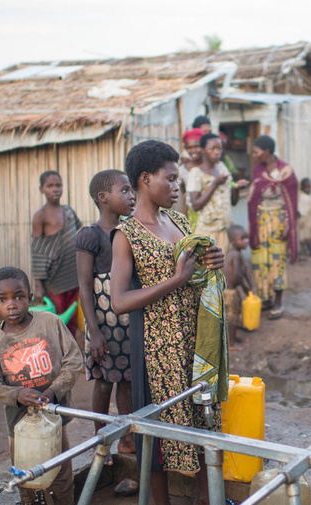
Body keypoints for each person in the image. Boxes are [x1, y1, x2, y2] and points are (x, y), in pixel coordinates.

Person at [110, 140, 225, 505]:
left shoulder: (176, 220)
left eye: (178, 180)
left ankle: (208, 500)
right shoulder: (126, 235)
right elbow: (119, 301)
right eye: (171, 179)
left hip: (195, 345)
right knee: (157, 442)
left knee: (206, 424)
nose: (177, 187)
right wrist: (174, 280)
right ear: (145, 179)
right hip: (159, 352)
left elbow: (194, 272)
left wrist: (212, 258)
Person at [0, 267, 84, 505]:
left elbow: (74, 361)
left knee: (60, 477)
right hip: (19, 425)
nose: (12, 304)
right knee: (27, 479)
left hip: (54, 419)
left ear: (30, 297)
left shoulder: (50, 324)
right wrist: (16, 394)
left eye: (18, 296)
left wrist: (54, 391)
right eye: (2, 299)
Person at [74, 169, 139, 494]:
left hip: (127, 322)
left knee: (125, 379)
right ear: (103, 198)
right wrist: (94, 332)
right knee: (103, 381)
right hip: (103, 323)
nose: (131, 196)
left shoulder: (130, 232)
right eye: (124, 190)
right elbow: (86, 287)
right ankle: (102, 438)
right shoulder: (90, 235)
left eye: (131, 190)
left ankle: (126, 437)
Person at [247, 135, 299, 320]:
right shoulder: (258, 171)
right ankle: (266, 299)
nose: (253, 155)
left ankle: (278, 303)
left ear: (267, 152)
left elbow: (292, 199)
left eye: (256, 152)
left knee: (277, 261)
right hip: (261, 223)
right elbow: (254, 198)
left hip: (279, 222)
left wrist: (288, 224)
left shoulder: (286, 170)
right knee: (261, 260)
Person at [31, 170, 82, 335]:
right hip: (55, 278)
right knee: (57, 320)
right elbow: (37, 250)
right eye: (50, 186)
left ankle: (72, 355)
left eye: (58, 185)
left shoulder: (68, 211)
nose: (55, 189)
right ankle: (59, 356)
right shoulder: (40, 216)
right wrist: (39, 284)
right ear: (42, 189)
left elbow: (81, 234)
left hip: (74, 274)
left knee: (72, 318)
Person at [187, 133, 248, 252]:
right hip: (207, 231)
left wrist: (235, 189)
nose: (217, 152)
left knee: (224, 268)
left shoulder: (222, 168)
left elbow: (233, 202)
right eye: (212, 148)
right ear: (203, 150)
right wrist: (215, 184)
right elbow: (196, 205)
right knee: (208, 267)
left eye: (219, 148)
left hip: (225, 230)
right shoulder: (196, 173)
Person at [223, 224, 253, 348]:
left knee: (235, 313)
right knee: (232, 316)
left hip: (232, 290)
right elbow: (238, 275)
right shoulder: (235, 255)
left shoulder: (238, 253)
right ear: (233, 241)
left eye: (247, 237)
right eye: (242, 238)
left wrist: (250, 285)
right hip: (229, 292)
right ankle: (231, 342)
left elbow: (245, 270)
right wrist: (245, 287)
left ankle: (234, 337)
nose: (246, 241)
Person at [298, 178, 311, 259]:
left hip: (310, 221)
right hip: (306, 222)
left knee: (309, 239)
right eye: (306, 187)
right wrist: (302, 221)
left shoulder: (307, 197)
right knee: (308, 238)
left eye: (309, 187)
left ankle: (307, 252)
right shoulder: (304, 198)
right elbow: (302, 212)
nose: (308, 189)